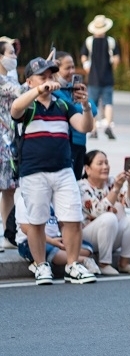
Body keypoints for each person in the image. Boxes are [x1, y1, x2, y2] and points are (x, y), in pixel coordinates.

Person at [11, 57, 96, 285]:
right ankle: (41, 266)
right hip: (33, 171)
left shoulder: (62, 104)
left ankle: (72, 265)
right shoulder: (27, 104)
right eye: (42, 76)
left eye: (50, 76)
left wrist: (85, 105)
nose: (48, 80)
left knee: (73, 218)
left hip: (63, 169)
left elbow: (85, 126)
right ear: (29, 81)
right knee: (36, 221)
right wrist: (38, 90)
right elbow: (15, 108)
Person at [78, 150, 130, 275]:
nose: (105, 167)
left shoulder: (111, 182)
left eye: (106, 163)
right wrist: (116, 189)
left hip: (109, 234)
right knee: (109, 217)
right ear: (87, 169)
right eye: (100, 163)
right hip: (87, 238)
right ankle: (104, 264)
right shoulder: (81, 187)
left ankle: (124, 263)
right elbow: (98, 212)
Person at [14, 191, 100, 275]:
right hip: (30, 242)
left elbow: (61, 224)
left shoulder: (53, 199)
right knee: (49, 250)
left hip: (55, 238)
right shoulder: (23, 199)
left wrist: (65, 239)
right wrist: (51, 241)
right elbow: (26, 229)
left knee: (87, 247)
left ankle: (58, 257)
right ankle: (82, 260)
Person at [53, 52, 98, 180]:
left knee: (77, 181)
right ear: (56, 70)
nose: (72, 71)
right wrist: (83, 104)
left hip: (81, 144)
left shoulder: (72, 88)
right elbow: (69, 108)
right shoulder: (54, 92)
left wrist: (84, 100)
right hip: (68, 144)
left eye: (73, 67)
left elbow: (93, 109)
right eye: (67, 68)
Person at [80, 14, 120, 140]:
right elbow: (116, 59)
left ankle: (93, 130)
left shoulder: (89, 41)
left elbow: (84, 56)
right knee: (108, 103)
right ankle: (108, 126)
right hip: (107, 77)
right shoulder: (111, 41)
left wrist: (87, 67)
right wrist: (113, 66)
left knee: (93, 104)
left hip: (93, 78)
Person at [0, 39, 21, 234]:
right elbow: (21, 93)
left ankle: (8, 232)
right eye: (10, 53)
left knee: (9, 188)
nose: (14, 57)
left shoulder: (13, 80)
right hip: (1, 140)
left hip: (11, 140)